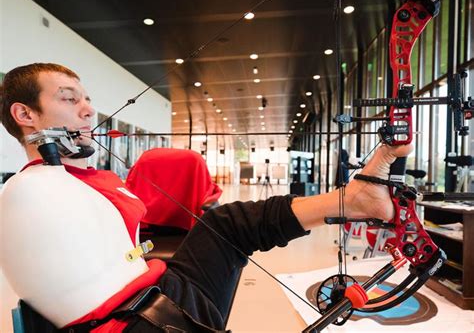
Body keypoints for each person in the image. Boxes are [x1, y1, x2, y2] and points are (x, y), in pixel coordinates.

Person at [0, 63, 412, 332]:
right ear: (25, 115)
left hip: (150, 297)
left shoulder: (60, 182)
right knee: (226, 223)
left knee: (223, 222)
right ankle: (355, 199)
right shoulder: (35, 188)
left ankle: (354, 199)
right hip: (139, 322)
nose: (89, 110)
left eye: (87, 98)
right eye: (70, 99)